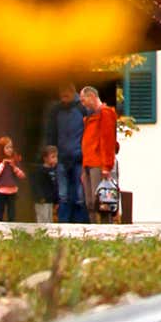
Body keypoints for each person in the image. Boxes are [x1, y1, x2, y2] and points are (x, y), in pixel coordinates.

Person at [47, 83, 88, 223]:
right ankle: (64, 223)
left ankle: (80, 222)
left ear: (72, 93)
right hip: (62, 157)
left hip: (79, 157)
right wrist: (53, 152)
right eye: (61, 95)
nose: (63, 98)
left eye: (66, 94)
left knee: (78, 193)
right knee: (63, 193)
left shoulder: (82, 109)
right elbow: (52, 132)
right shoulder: (57, 110)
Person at [80, 85, 118, 224]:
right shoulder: (91, 117)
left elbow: (107, 141)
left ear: (92, 97)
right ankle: (93, 231)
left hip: (98, 163)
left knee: (102, 201)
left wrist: (106, 166)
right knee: (90, 202)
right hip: (88, 163)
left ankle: (105, 231)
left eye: (84, 100)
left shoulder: (105, 113)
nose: (83, 104)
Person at [0, 136, 26, 222]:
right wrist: (2, 164)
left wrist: (14, 168)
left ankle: (11, 231)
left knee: (12, 214)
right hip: (0, 191)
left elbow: (22, 176)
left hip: (12, 191)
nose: (10, 150)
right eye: (7, 147)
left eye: (11, 147)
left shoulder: (14, 160)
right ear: (1, 149)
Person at [33, 145, 59, 223]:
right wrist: (40, 196)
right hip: (42, 201)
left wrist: (56, 200)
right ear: (45, 158)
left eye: (56, 157)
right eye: (53, 157)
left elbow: (55, 186)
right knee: (42, 219)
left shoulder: (54, 171)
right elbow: (36, 185)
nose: (55, 159)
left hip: (50, 201)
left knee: (49, 220)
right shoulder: (40, 171)